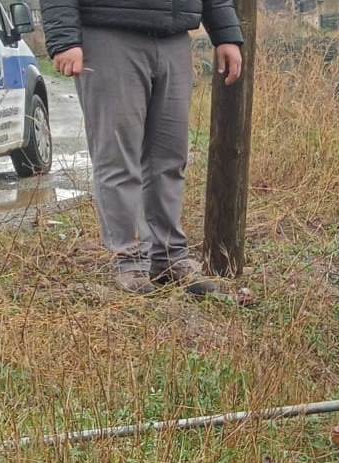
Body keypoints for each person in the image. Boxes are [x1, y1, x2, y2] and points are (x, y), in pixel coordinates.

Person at [42, 0, 244, 296]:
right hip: (108, 32)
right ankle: (130, 262)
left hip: (173, 37)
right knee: (118, 158)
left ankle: (169, 259)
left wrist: (226, 33)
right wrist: (64, 40)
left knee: (170, 159)